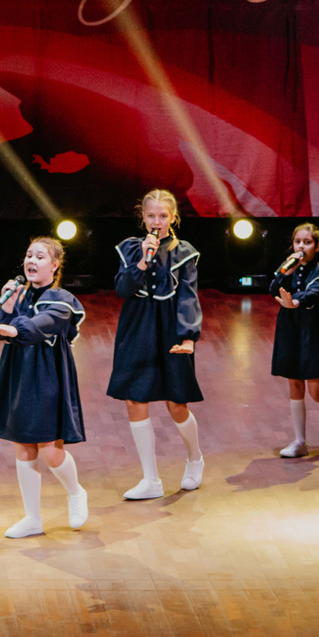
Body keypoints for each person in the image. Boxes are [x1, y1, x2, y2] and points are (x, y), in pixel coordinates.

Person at [0, 235, 90, 538]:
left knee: (50, 449)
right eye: (29, 255)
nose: (31, 261)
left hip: (47, 374)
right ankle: (33, 518)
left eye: (40, 257)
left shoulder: (61, 300)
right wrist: (6, 306)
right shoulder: (18, 294)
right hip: (19, 372)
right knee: (22, 445)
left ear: (55, 265)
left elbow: (42, 325)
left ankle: (76, 492)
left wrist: (15, 327)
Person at [108, 188, 204, 498]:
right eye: (151, 216)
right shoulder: (130, 249)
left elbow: (188, 295)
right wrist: (141, 263)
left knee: (176, 403)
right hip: (137, 326)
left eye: (163, 216)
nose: (157, 221)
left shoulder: (183, 252)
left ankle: (195, 458)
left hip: (171, 327)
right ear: (143, 217)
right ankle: (150, 480)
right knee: (135, 399)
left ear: (173, 218)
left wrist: (188, 336)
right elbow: (122, 289)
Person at [270, 222, 319, 455]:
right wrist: (285, 273)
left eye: (307, 242)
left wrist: (296, 301)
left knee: (314, 388)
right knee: (294, 383)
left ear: (317, 246)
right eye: (298, 242)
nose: (301, 246)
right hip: (289, 326)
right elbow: (273, 288)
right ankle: (299, 442)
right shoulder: (288, 266)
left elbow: (317, 293)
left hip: (311, 327)